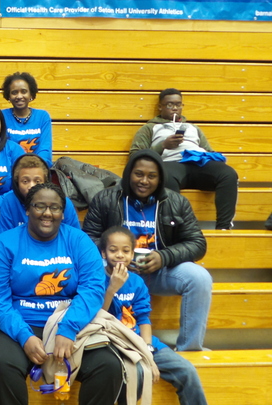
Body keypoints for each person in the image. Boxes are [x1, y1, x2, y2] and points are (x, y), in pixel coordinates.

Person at [0, 182, 123, 405]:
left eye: (55, 207)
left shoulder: (79, 241)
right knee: (2, 365)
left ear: (63, 212)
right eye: (40, 206)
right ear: (27, 210)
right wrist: (24, 336)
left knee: (108, 366)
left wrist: (68, 328)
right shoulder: (4, 243)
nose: (47, 213)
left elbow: (92, 289)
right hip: (21, 323)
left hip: (70, 322)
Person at [83, 149, 212, 351]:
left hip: (160, 271)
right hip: (115, 273)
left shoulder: (176, 202)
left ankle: (190, 348)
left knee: (199, 277)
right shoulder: (105, 199)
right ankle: (97, 340)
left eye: (152, 176)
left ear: (160, 179)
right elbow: (88, 239)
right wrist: (116, 258)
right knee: (94, 267)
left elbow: (197, 243)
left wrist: (164, 256)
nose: (144, 181)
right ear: (128, 174)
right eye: (138, 174)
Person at [100, 226, 208, 405]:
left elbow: (143, 319)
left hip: (141, 342)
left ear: (132, 254)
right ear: (103, 253)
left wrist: (148, 351)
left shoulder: (136, 281)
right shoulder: (96, 279)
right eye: (113, 250)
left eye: (126, 251)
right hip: (114, 343)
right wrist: (112, 289)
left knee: (187, 370)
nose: (120, 255)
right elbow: (98, 317)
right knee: (137, 374)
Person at [130, 88, 238, 230]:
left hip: (198, 162)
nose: (174, 108)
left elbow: (209, 151)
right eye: (170, 104)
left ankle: (224, 227)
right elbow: (135, 156)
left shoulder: (193, 128)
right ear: (160, 107)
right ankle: (175, 228)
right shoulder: (150, 128)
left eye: (178, 104)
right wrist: (163, 145)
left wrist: (211, 157)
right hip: (171, 164)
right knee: (164, 176)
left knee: (228, 174)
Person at [0, 153, 79, 230]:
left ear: (46, 181)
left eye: (37, 181)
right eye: (25, 181)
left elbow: (76, 238)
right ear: (17, 183)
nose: (31, 186)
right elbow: (5, 238)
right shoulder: (9, 201)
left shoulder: (63, 202)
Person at [1, 72, 52, 165]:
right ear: (8, 96)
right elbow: (2, 150)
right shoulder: (2, 116)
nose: (19, 96)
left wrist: (36, 168)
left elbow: (45, 149)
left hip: (38, 168)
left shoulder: (42, 116)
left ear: (31, 94)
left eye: (24, 91)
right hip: (11, 168)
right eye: (14, 92)